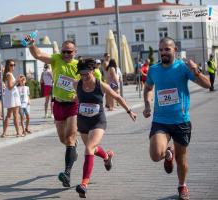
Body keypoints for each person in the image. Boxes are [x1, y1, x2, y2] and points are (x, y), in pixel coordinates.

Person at [143, 37, 210, 200]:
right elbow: (148, 88)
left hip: (181, 121)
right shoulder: (154, 69)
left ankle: (182, 186)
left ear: (175, 50)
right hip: (160, 120)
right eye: (161, 50)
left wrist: (196, 71)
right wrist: (147, 104)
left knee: (181, 159)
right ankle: (167, 153)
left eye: (167, 49)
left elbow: (207, 85)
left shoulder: (183, 67)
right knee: (155, 155)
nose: (164, 52)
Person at [73, 58, 137, 198]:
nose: (83, 76)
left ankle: (84, 184)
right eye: (81, 74)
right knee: (93, 149)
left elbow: (117, 97)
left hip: (98, 121)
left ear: (92, 71)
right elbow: (76, 99)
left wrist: (129, 111)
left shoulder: (101, 85)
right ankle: (106, 157)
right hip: (83, 121)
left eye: (86, 73)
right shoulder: (76, 84)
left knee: (88, 148)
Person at [28, 37, 79, 187]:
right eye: (64, 51)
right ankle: (73, 149)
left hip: (73, 105)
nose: (66, 54)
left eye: (69, 52)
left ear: (75, 52)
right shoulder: (56, 59)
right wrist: (32, 44)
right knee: (63, 140)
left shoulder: (79, 65)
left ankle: (67, 174)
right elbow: (38, 55)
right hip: (58, 104)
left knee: (69, 138)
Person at [0, 59, 23, 137]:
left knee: (9, 115)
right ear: (7, 66)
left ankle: (4, 132)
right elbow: (10, 87)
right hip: (12, 96)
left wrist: (17, 81)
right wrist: (17, 80)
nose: (13, 66)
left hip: (10, 95)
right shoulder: (9, 74)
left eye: (14, 65)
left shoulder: (7, 74)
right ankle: (18, 132)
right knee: (15, 115)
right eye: (11, 65)